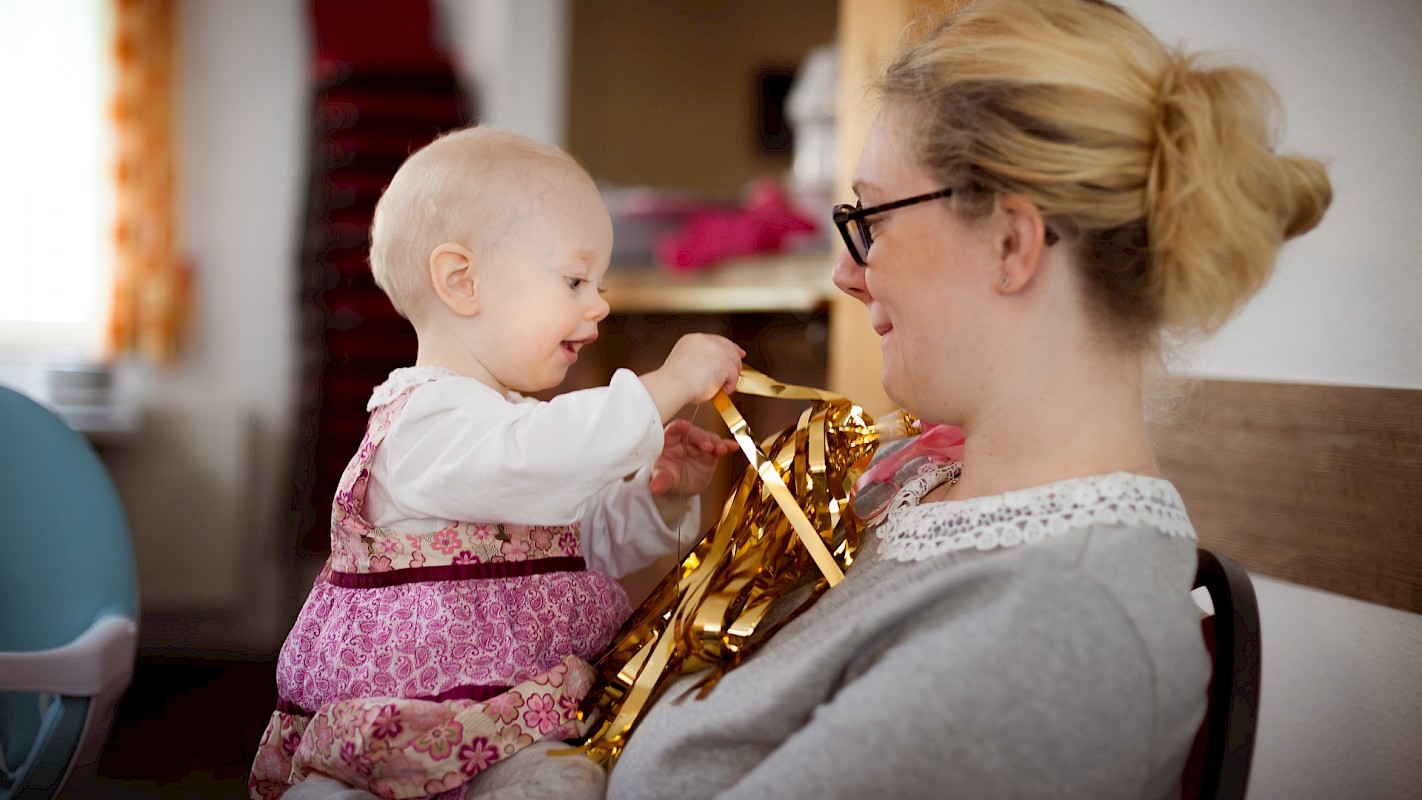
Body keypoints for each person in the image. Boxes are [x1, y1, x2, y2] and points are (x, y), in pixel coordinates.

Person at [286, 0, 1332, 796]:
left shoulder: (1053, 631)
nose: (843, 272)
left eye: (869, 219)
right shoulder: (909, 482)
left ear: (1012, 244)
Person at [249, 126, 744, 800]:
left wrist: (657, 495)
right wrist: (667, 384)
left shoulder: (511, 427)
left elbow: (573, 546)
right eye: (575, 279)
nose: (599, 304)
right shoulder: (425, 422)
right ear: (463, 282)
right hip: (395, 740)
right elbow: (543, 462)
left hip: (511, 730)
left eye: (596, 283)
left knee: (569, 784)